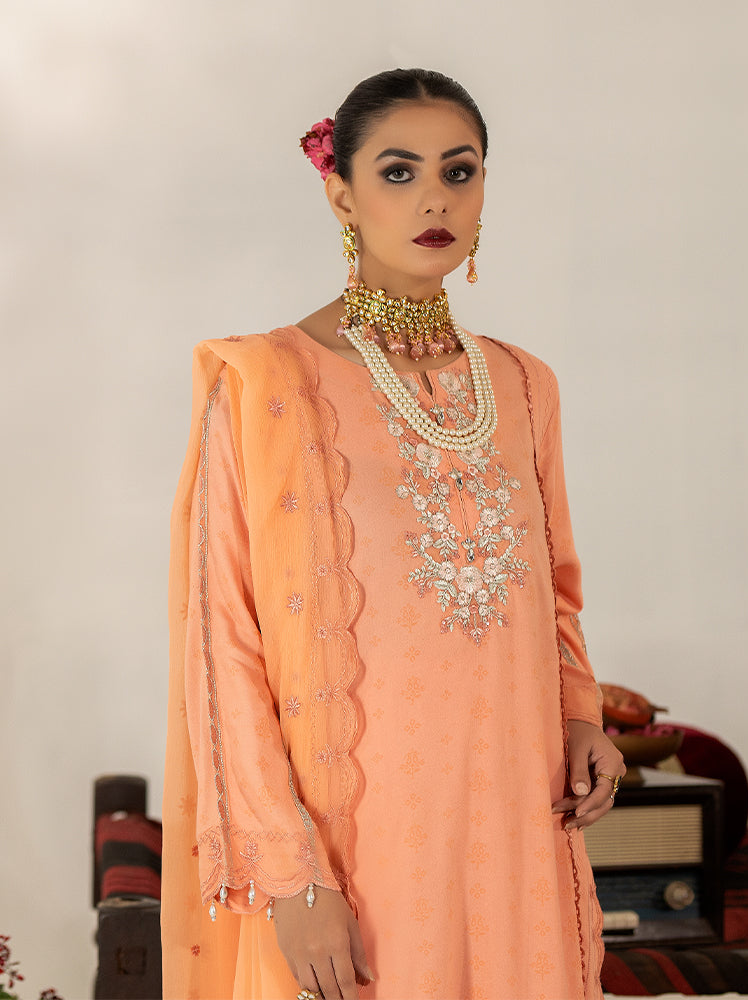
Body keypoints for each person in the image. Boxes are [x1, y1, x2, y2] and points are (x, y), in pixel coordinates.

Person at [162, 68, 625, 1000]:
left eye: (460, 171)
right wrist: (293, 879)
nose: (435, 199)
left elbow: (555, 589)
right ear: (342, 194)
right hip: (357, 849)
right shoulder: (263, 384)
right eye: (399, 172)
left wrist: (582, 718)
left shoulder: (523, 384)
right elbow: (223, 647)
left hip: (519, 822)